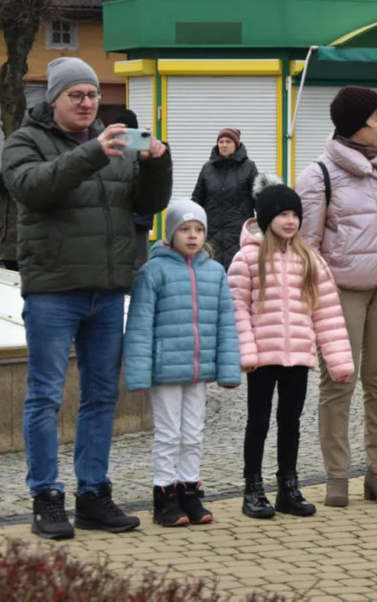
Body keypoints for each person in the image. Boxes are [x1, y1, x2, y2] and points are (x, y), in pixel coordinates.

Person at [0, 57, 173, 540]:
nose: (86, 103)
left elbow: (147, 205)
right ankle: (46, 497)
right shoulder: (24, 142)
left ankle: (93, 494)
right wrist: (96, 152)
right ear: (53, 98)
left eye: (93, 95)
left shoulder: (115, 145)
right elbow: (35, 189)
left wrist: (159, 163)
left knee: (100, 396)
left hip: (107, 289)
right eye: (76, 95)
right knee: (46, 396)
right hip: (54, 289)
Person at [296, 86, 377, 508]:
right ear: (355, 126)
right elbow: (306, 246)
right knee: (340, 382)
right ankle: (337, 477)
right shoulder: (318, 175)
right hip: (341, 296)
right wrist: (318, 297)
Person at [228, 176, 355, 519]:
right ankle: (252, 488)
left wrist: (339, 361)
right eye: (282, 214)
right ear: (266, 218)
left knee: (290, 422)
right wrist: (247, 352)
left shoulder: (310, 260)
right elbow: (236, 308)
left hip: (298, 357)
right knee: (258, 422)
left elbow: (327, 312)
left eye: (295, 215)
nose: (290, 221)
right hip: (262, 358)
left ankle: (288, 486)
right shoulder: (247, 259)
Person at [123, 200, 240, 527]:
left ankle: (190, 490)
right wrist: (139, 374)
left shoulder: (215, 273)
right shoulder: (153, 271)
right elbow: (140, 325)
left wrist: (228, 369)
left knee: (193, 433)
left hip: (198, 370)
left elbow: (226, 323)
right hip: (166, 371)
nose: (192, 236)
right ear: (171, 233)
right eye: (185, 229)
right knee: (168, 433)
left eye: (198, 230)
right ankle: (165, 496)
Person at [192, 127, 258, 268]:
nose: (224, 145)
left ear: (236, 144)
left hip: (238, 233)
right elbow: (197, 199)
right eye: (221, 141)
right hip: (212, 233)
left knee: (238, 274)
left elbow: (258, 199)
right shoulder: (207, 168)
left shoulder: (249, 167)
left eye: (228, 141)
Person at [118, 109, 155, 274]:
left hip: (140, 218)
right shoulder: (112, 152)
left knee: (140, 262)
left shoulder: (144, 152)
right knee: (120, 258)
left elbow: (153, 186)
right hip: (119, 215)